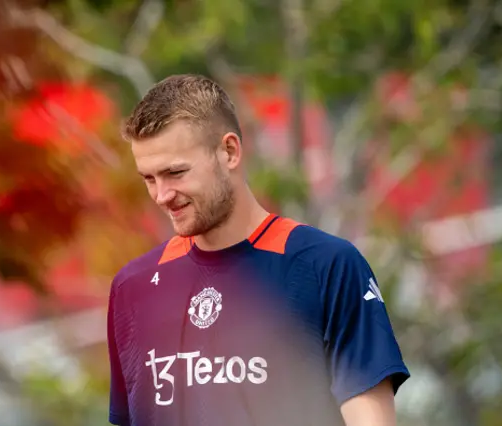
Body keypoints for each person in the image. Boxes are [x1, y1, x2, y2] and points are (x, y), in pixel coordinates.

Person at [107, 74, 410, 426]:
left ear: (229, 151)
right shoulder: (133, 287)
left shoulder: (325, 266)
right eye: (149, 178)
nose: (161, 195)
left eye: (175, 172)